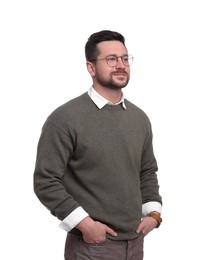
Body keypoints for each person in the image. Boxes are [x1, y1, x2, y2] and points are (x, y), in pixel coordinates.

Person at [34, 30, 162, 260]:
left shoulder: (140, 118)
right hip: (91, 247)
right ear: (91, 68)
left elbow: (146, 170)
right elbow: (45, 181)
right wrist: (85, 225)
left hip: (135, 244)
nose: (120, 65)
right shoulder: (64, 118)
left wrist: (154, 213)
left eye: (125, 58)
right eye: (111, 59)